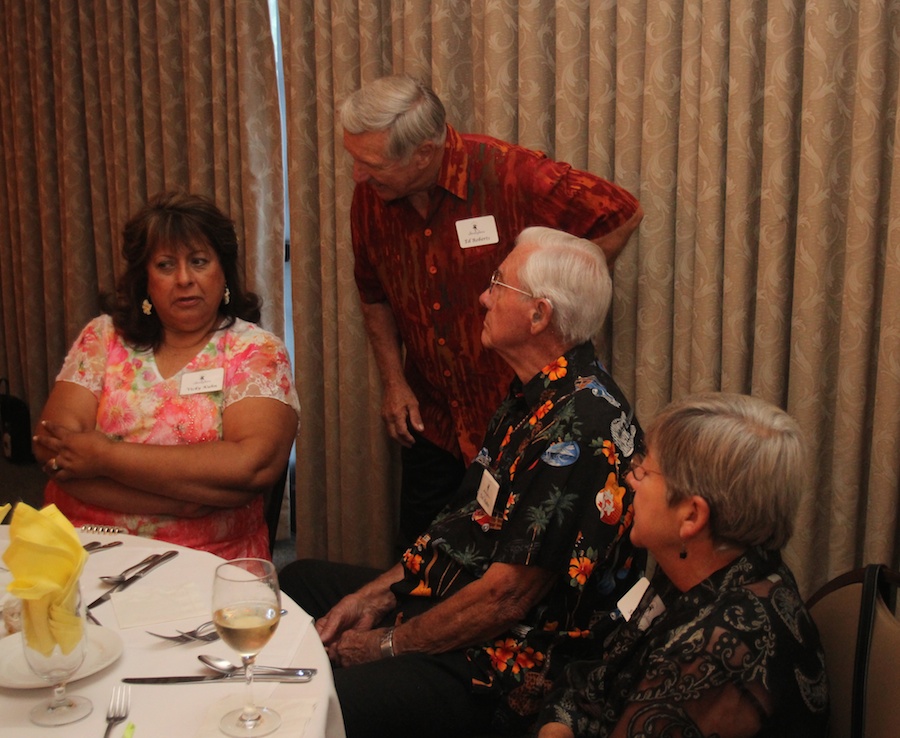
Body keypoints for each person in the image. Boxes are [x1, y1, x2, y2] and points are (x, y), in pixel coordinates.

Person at [280, 227, 643, 737]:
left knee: (323, 705)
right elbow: (459, 526)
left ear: (539, 315)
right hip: (466, 600)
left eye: (498, 285)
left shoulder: (579, 430)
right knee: (299, 584)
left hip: (510, 656)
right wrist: (376, 597)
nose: (483, 298)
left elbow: (505, 600)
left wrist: (386, 644)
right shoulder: (531, 396)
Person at [342, 74, 644, 548]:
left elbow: (621, 212)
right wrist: (394, 382)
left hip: (515, 420)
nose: (358, 175)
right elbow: (372, 291)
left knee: (506, 568)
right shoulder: (372, 196)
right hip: (433, 419)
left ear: (423, 152)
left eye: (371, 164)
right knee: (421, 557)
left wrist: (561, 294)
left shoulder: (510, 173)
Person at [534, 393, 829, 738]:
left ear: (691, 515)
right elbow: (600, 679)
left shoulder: (717, 652)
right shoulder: (699, 568)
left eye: (644, 470)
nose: (631, 479)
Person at [32, 191, 300, 560]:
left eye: (199, 261)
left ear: (223, 271)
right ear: (145, 278)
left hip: (206, 558)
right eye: (165, 265)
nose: (185, 279)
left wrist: (105, 457)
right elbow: (53, 451)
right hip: (77, 544)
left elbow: (250, 467)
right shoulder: (103, 336)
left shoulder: (255, 351)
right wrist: (182, 499)